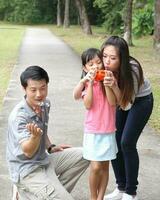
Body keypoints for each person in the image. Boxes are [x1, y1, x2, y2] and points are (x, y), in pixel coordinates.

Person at [6, 65, 89, 200]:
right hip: (27, 170)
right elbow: (27, 151)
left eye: (43, 88)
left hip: (43, 160)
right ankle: (24, 191)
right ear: (24, 89)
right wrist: (34, 137)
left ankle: (42, 194)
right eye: (33, 90)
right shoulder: (19, 117)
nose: (39, 94)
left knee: (87, 154)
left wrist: (50, 147)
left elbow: (42, 131)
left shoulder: (45, 104)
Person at [100, 36, 153, 200]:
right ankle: (121, 187)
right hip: (122, 100)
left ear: (122, 58)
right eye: (105, 56)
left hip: (140, 101)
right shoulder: (103, 66)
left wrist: (114, 85)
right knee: (114, 141)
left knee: (127, 142)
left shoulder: (133, 69)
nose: (107, 61)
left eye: (113, 58)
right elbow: (114, 102)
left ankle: (131, 192)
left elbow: (127, 105)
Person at [73, 48, 118, 200]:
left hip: (108, 130)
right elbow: (88, 104)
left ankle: (100, 198)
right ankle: (93, 198)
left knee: (105, 167)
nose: (96, 67)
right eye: (91, 64)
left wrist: (106, 83)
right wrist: (90, 83)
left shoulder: (110, 79)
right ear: (85, 68)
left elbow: (113, 102)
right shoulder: (86, 84)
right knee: (96, 166)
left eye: (99, 63)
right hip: (92, 131)